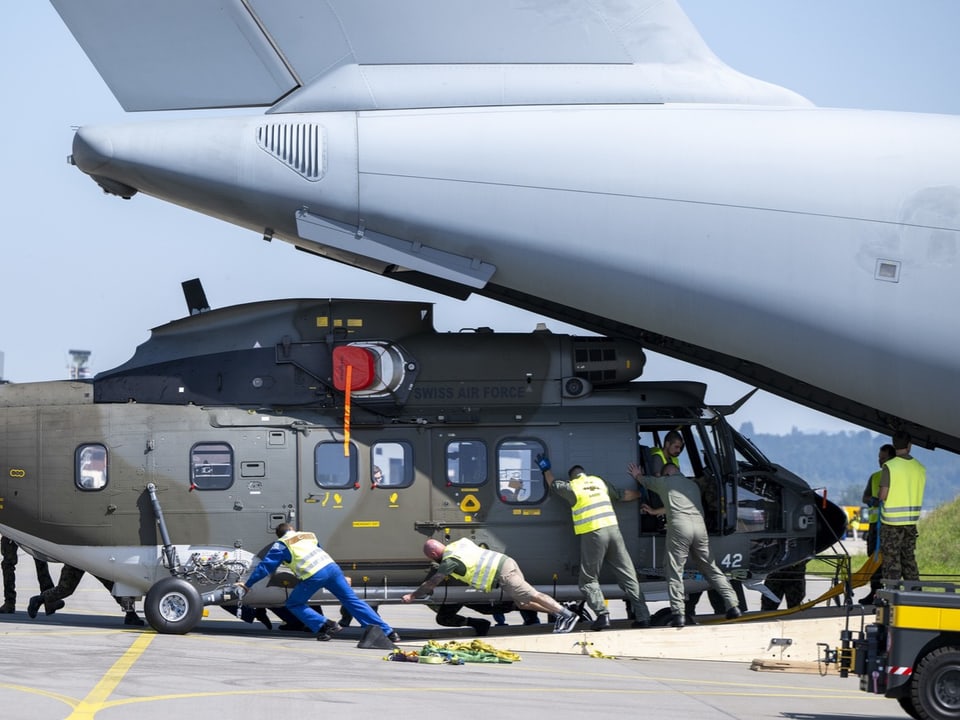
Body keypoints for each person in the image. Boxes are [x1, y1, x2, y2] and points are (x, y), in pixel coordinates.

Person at [539, 455, 652, 630]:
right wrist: (641, 494)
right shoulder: (600, 483)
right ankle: (644, 617)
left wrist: (545, 469)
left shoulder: (572, 487)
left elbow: (553, 485)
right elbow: (623, 495)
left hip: (594, 534)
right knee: (628, 576)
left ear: (573, 477)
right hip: (613, 531)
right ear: (584, 474)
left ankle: (602, 615)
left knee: (588, 580)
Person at [238, 523, 399, 642]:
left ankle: (326, 625)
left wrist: (247, 584)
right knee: (352, 601)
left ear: (279, 535)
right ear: (292, 528)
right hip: (333, 569)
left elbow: (265, 567)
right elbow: (320, 553)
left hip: (314, 574)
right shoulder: (309, 535)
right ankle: (389, 632)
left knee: (294, 603)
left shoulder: (282, 544)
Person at [627, 461, 742, 627]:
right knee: (710, 567)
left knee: (674, 570)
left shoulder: (664, 482)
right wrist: (654, 512)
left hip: (680, 528)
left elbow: (645, 481)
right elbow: (676, 504)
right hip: (700, 528)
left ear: (666, 474)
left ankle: (678, 614)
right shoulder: (692, 485)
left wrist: (637, 474)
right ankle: (733, 605)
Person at [401, 537, 580, 633]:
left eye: (430, 556)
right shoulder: (458, 544)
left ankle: (567, 615)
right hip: (506, 563)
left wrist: (413, 596)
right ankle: (559, 612)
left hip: (502, 571)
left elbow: (433, 582)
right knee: (523, 603)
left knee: (531, 594)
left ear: (433, 553)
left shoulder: (450, 560)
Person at [27, 564, 145, 625]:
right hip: (80, 556)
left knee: (116, 586)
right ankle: (39, 599)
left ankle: (130, 614)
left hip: (96, 557)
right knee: (65, 588)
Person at [879, 431, 926, 584]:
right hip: (910, 524)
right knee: (909, 559)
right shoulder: (920, 468)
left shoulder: (890, 466)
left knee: (892, 562)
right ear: (909, 446)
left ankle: (891, 597)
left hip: (892, 524)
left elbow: (883, 495)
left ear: (893, 445)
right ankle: (915, 595)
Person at [860, 443, 895, 605]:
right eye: (879, 458)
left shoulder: (896, 477)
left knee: (887, 559)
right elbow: (865, 497)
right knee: (873, 558)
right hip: (875, 525)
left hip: (889, 524)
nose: (880, 461)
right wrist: (870, 500)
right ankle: (874, 591)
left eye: (883, 458)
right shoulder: (874, 477)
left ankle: (887, 591)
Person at [1, 536, 54, 614]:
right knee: (8, 564)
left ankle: (49, 599)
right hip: (15, 529)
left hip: (26, 528)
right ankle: (9, 602)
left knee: (40, 559)